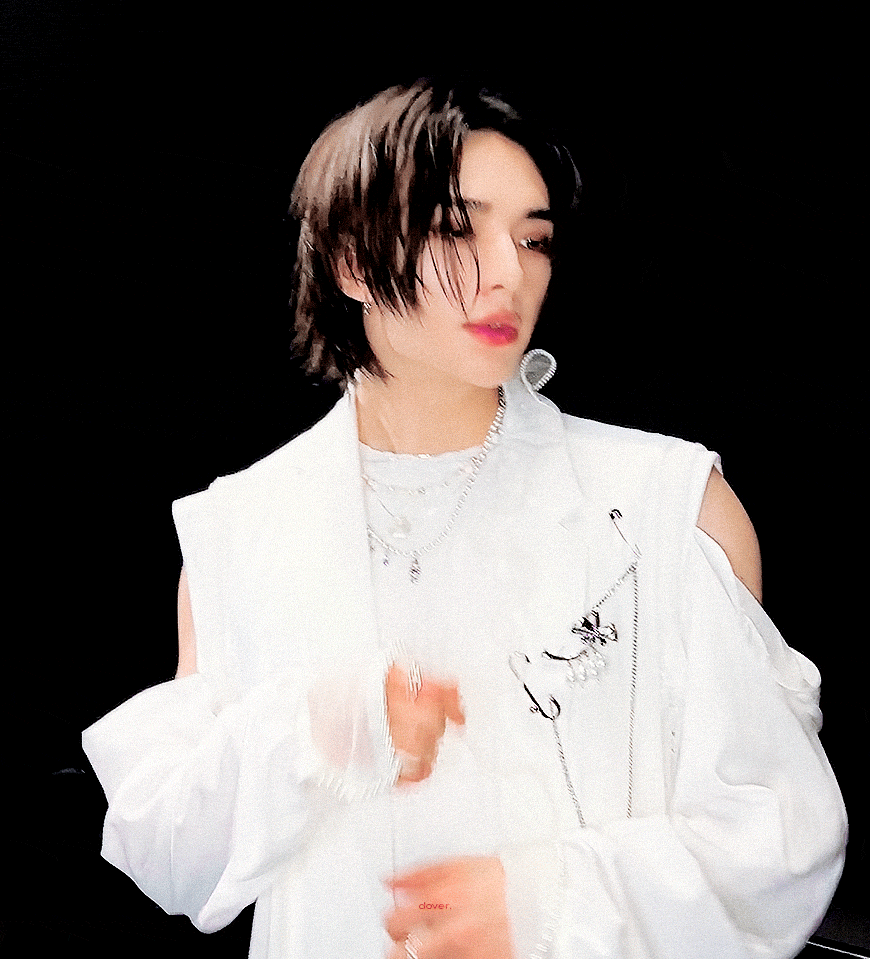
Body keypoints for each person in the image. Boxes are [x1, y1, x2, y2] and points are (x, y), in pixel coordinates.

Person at [82, 80, 847, 959]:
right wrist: (315, 732)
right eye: (457, 229)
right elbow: (168, 856)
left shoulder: (663, 507)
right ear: (351, 262)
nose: (509, 273)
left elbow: (780, 835)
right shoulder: (244, 530)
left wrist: (549, 901)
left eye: (533, 238)